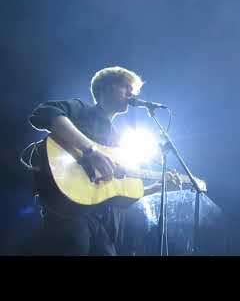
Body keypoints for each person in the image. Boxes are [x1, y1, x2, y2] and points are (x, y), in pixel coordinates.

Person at [29, 66, 163, 255]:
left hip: (103, 226)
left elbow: (117, 194)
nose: (131, 93)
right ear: (104, 88)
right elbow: (44, 113)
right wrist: (90, 151)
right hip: (68, 216)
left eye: (133, 90)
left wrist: (157, 187)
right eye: (125, 87)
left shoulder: (118, 140)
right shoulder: (82, 109)